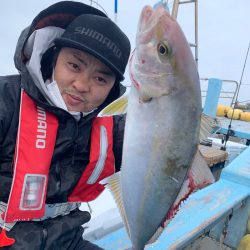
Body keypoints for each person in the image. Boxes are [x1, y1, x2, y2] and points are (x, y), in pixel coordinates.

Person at [0, 1, 131, 249]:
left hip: (68, 239)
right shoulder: (6, 99)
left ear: (112, 90)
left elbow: (163, 150)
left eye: (100, 78)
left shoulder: (113, 128)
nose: (82, 85)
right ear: (53, 58)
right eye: (74, 65)